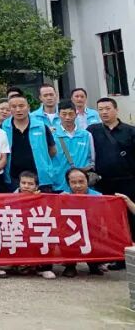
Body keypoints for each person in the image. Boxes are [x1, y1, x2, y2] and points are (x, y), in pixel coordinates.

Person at [88, 97, 135, 255]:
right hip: (103, 182)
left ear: (116, 110)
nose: (104, 112)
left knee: (130, 218)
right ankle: (115, 254)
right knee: (109, 220)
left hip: (128, 182)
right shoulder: (92, 130)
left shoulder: (130, 131)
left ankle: (131, 253)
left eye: (107, 109)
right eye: (100, 109)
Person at [3, 93, 57, 192]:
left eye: (21, 106)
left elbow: (52, 150)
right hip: (13, 179)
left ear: (28, 107)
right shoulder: (3, 128)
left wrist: (42, 161)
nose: (18, 110)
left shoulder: (41, 127)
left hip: (40, 178)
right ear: (9, 109)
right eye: (14, 107)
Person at [53, 99, 95, 185]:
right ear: (58, 115)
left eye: (71, 114)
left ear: (76, 114)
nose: (67, 117)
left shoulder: (86, 135)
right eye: (64, 114)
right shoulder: (52, 135)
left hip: (81, 184)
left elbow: (92, 160)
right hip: (59, 183)